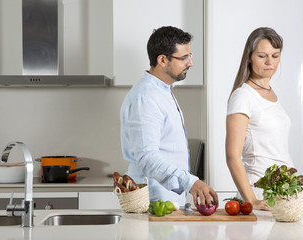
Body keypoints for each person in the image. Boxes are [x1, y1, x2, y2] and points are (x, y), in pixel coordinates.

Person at [120, 26, 218, 207]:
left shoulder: (162, 92)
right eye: (184, 58)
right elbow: (147, 157)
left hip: (166, 201)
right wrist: (190, 182)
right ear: (162, 60)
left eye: (190, 56)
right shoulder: (146, 97)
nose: (191, 63)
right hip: (153, 203)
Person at [225, 27, 294, 210]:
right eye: (262, 56)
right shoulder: (243, 96)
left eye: (275, 55)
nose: (270, 61)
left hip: (283, 191)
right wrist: (252, 201)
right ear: (249, 56)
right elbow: (232, 155)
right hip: (259, 192)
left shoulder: (272, 94)